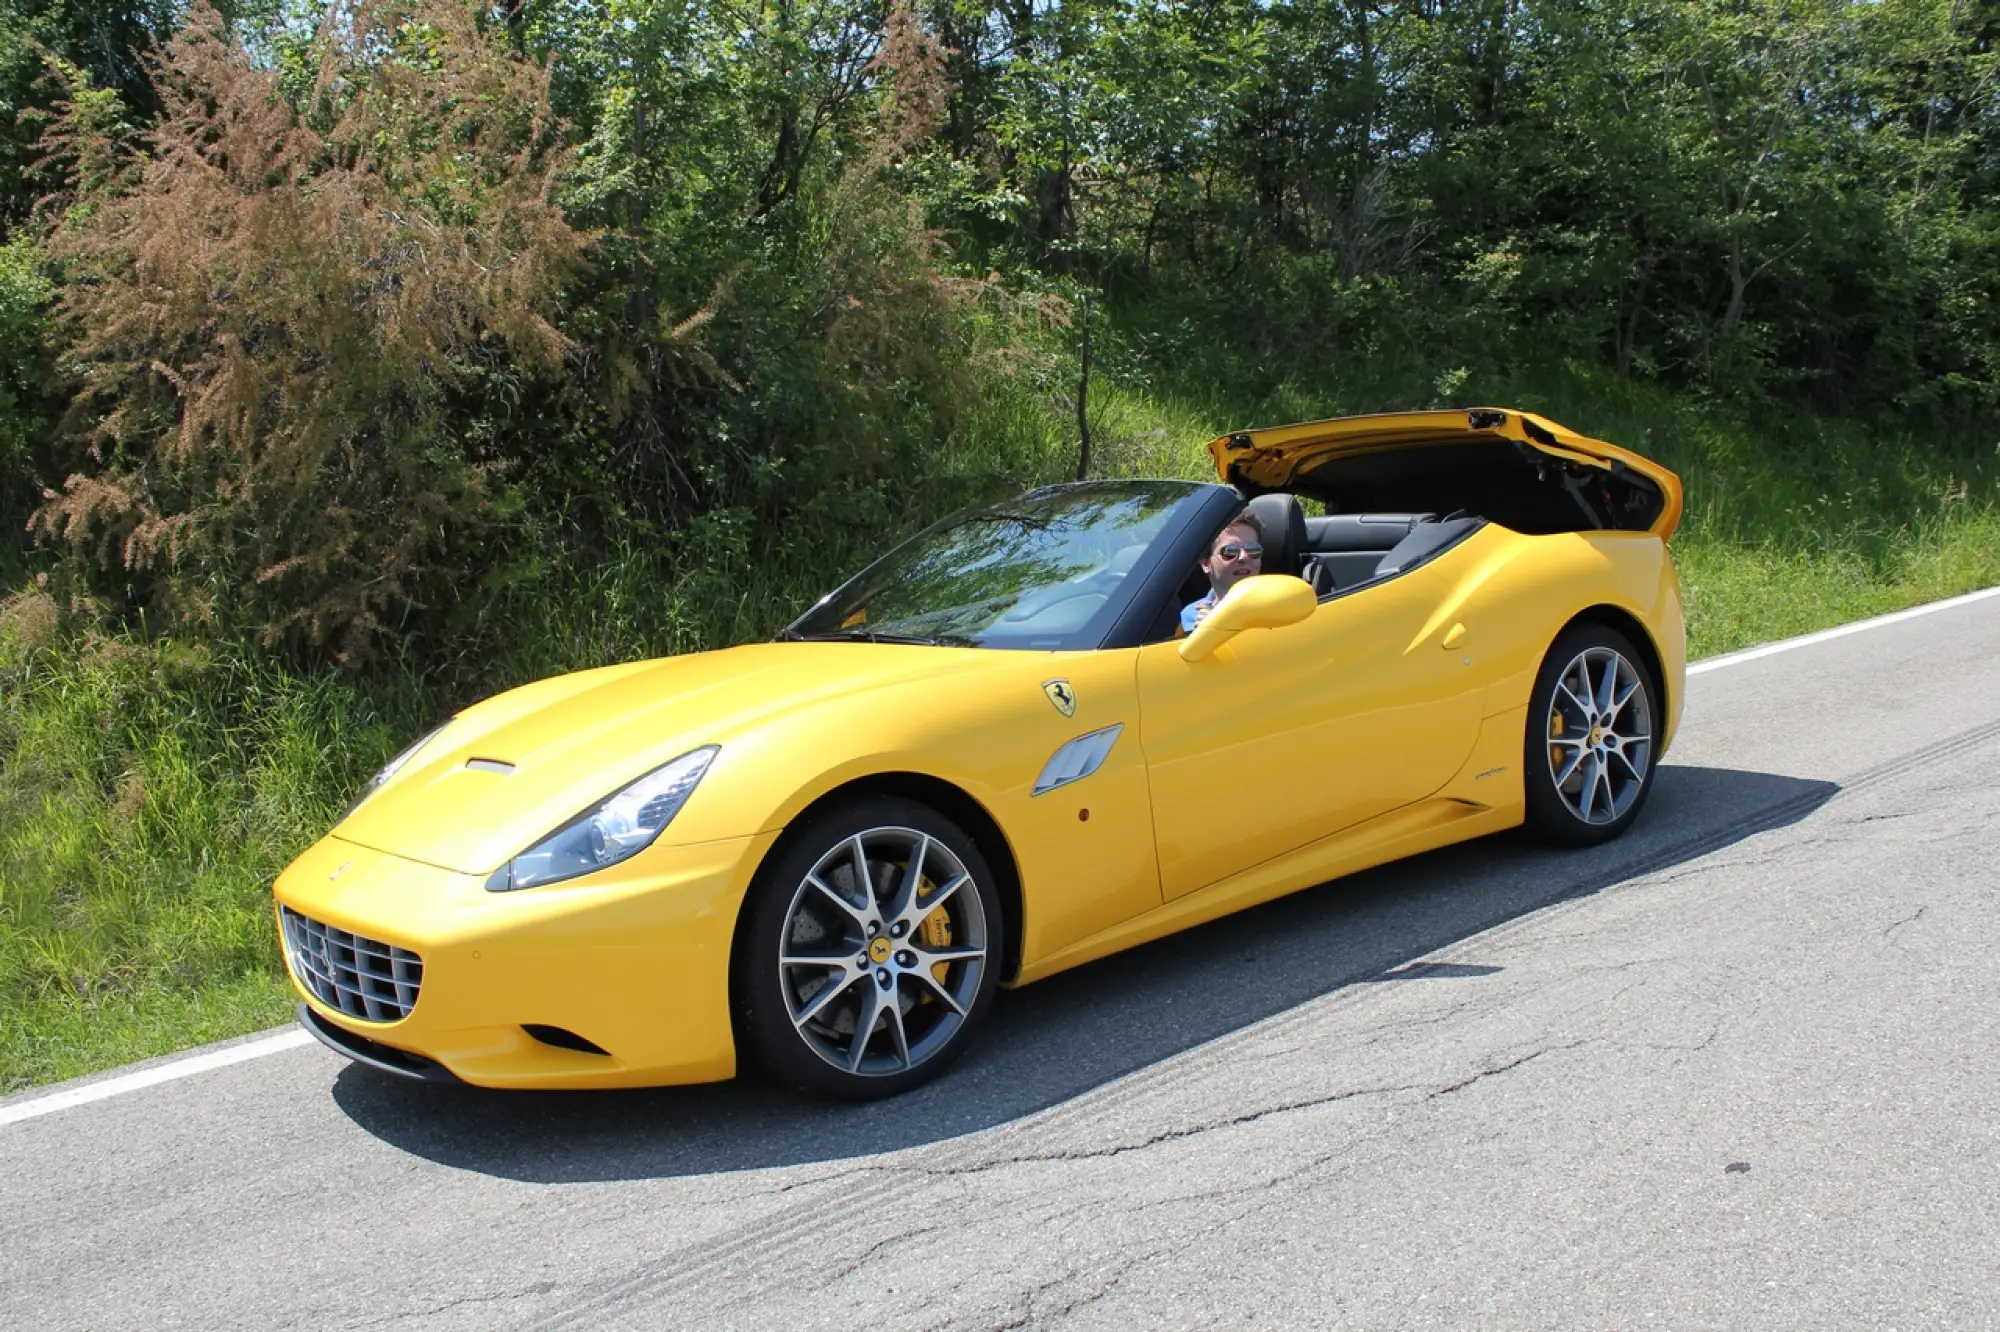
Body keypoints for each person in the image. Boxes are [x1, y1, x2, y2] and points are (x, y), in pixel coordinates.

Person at [1180, 510, 1264, 634]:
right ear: (1206, 563)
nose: (1244, 557)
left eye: (1253, 549)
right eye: (1230, 551)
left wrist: (1223, 626)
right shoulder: (1191, 614)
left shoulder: (1279, 607)